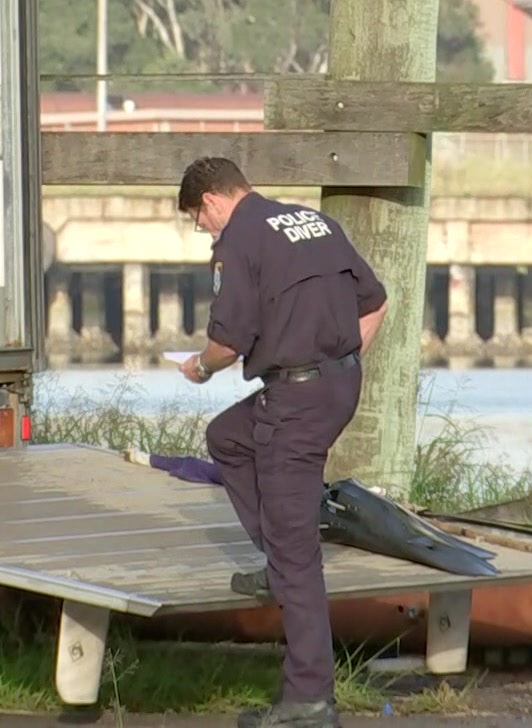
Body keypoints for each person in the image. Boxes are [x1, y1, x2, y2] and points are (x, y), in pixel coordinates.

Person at [175, 157, 389, 728]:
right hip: (339, 385)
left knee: (298, 554)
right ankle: (277, 559)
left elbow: (227, 342)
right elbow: (376, 302)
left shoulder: (238, 240)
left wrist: (200, 367)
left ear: (211, 200)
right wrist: (337, 362)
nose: (203, 229)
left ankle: (309, 698)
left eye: (199, 219)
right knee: (228, 437)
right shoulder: (311, 221)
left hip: (295, 401)